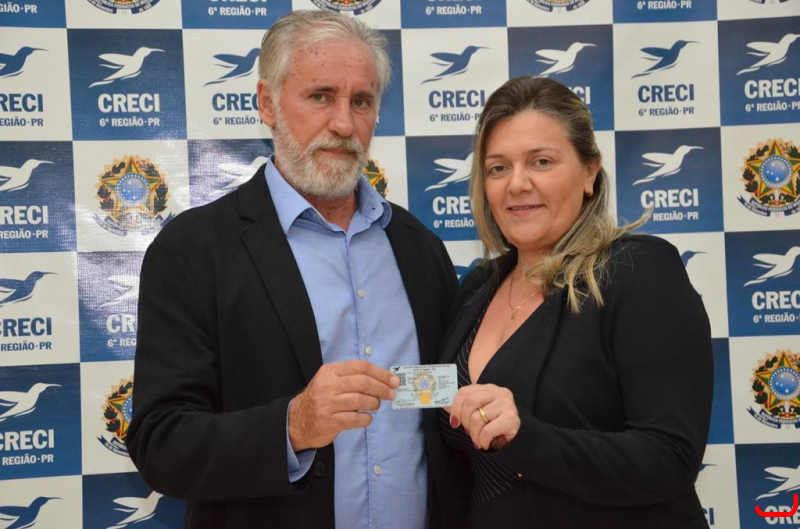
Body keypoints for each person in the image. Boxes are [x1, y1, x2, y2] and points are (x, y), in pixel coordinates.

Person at [126, 10, 464, 529]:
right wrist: (293, 427)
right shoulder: (193, 250)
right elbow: (161, 443)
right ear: (267, 103)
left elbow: (439, 406)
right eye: (321, 96)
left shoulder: (420, 249)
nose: (344, 124)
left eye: (361, 101)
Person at [440, 76, 714, 528]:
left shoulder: (639, 271)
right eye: (498, 168)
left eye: (541, 161)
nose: (517, 184)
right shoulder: (478, 286)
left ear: (589, 172)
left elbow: (670, 458)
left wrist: (527, 438)